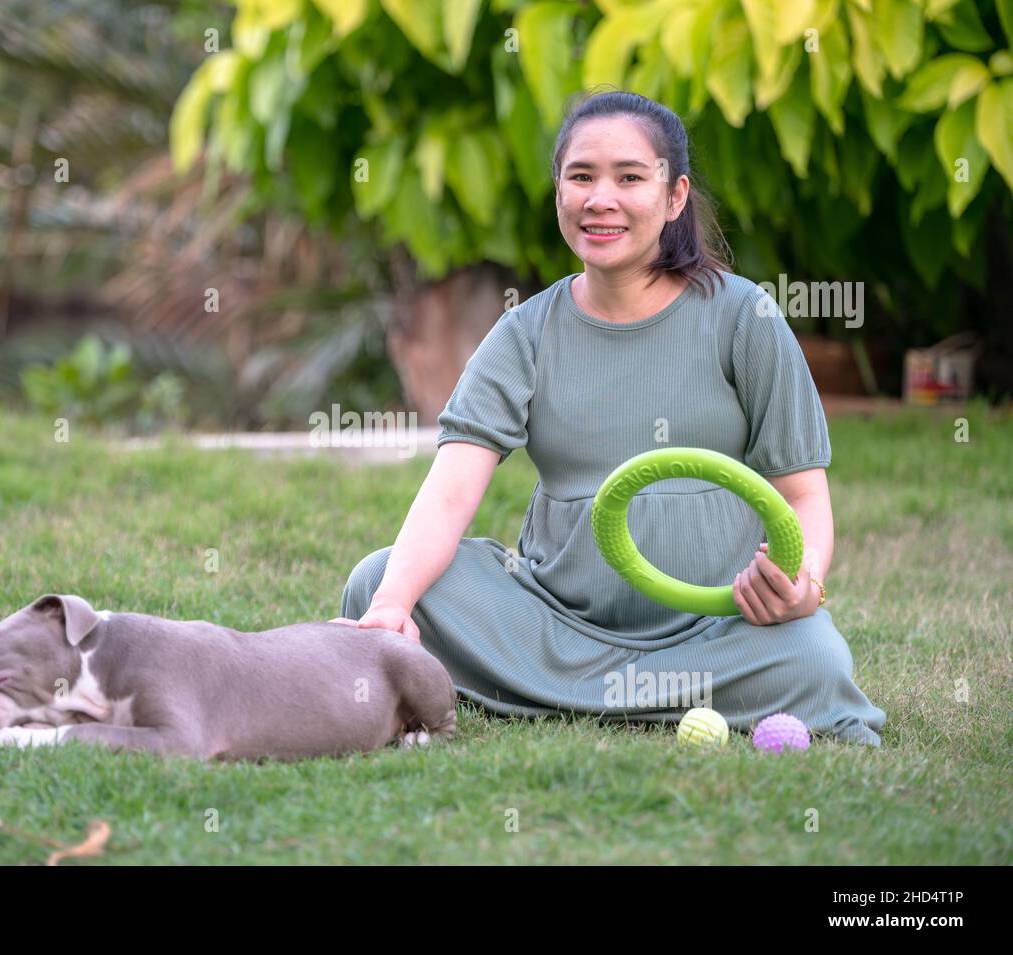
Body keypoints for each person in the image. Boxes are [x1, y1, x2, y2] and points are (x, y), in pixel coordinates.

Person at [334, 90, 886, 746]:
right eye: (581, 177)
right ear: (558, 191)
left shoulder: (747, 318)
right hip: (555, 625)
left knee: (815, 657)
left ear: (674, 196)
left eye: (629, 177)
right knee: (379, 577)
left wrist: (804, 586)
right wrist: (394, 603)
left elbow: (802, 493)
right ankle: (588, 688)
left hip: (714, 631)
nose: (601, 198)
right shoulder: (525, 332)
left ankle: (553, 699)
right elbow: (451, 490)